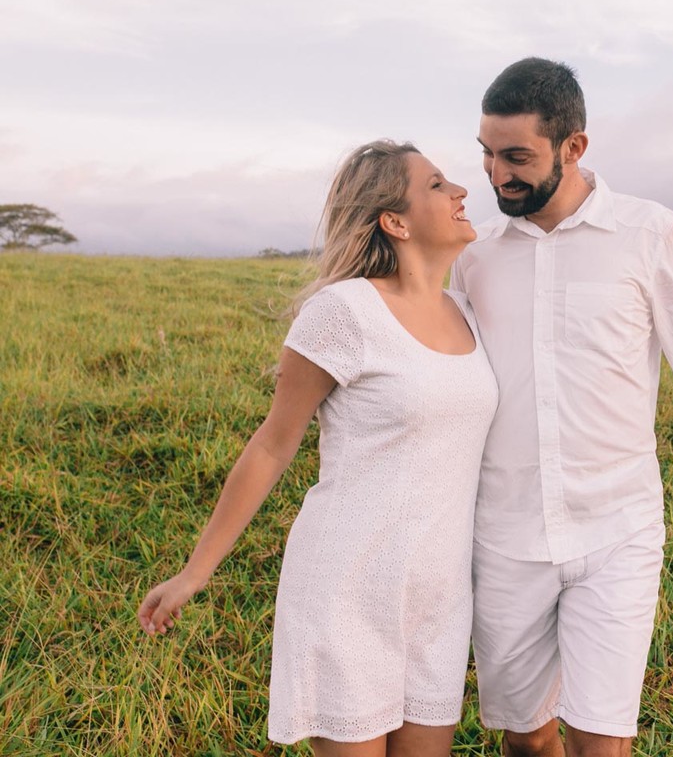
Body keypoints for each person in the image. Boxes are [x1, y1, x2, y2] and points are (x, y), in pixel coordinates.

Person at [450, 58, 673, 757]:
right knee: (524, 740)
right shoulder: (477, 252)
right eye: (487, 155)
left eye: (517, 157)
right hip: (505, 533)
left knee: (602, 740)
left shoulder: (648, 233)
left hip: (617, 529)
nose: (497, 176)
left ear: (574, 147)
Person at [137, 140, 497, 757]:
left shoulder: (467, 310)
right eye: (438, 185)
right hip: (348, 588)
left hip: (439, 596)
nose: (463, 191)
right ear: (395, 220)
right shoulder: (343, 312)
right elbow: (272, 447)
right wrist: (195, 572)